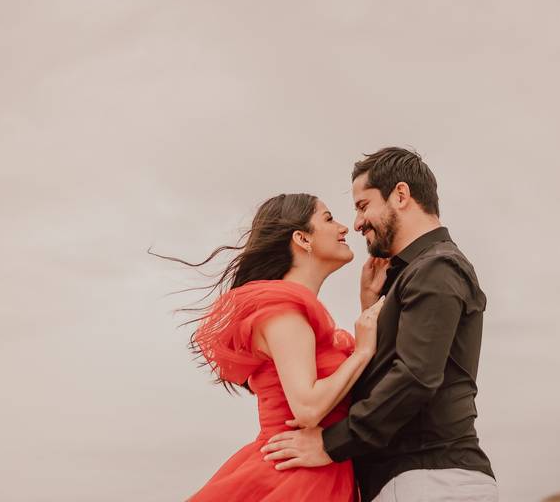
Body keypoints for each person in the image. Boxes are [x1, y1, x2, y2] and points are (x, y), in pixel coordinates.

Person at [261, 147, 497, 502]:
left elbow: (416, 376)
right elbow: (392, 370)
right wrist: (370, 307)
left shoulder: (437, 267)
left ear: (400, 195)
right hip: (417, 481)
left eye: (362, 206)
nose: (356, 224)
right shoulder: (412, 275)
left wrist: (330, 444)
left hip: (432, 479)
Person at [158, 193, 387, 501]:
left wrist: (367, 305)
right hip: (296, 478)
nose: (344, 228)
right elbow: (306, 409)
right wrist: (361, 352)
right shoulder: (283, 311)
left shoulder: (294, 311)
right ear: (302, 238)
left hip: (317, 471)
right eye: (329, 219)